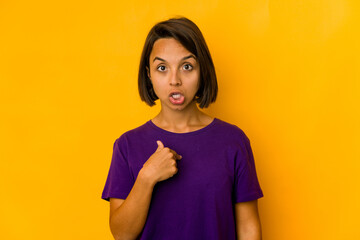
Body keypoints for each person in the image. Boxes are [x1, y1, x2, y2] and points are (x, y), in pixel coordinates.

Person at [102, 17, 264, 240]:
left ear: (202, 70)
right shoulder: (127, 145)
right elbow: (122, 234)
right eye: (162, 68)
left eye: (187, 66)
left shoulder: (233, 141)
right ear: (149, 74)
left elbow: (248, 229)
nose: (175, 80)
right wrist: (146, 177)